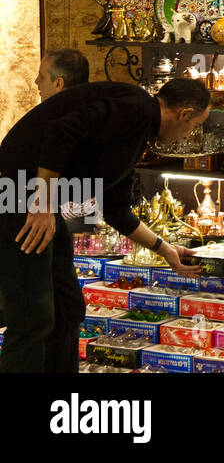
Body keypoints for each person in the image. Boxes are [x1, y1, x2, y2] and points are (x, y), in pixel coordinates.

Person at [0, 78, 211, 373]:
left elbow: (114, 207)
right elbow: (61, 131)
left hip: (38, 204)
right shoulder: (135, 108)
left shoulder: (138, 131)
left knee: (68, 308)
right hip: (18, 198)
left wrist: (164, 249)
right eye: (194, 126)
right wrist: (43, 203)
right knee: (32, 316)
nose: (188, 135)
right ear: (184, 113)